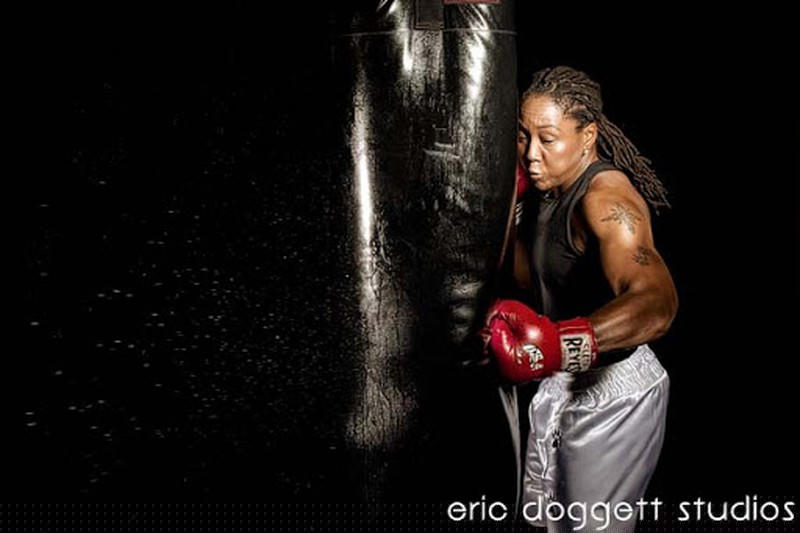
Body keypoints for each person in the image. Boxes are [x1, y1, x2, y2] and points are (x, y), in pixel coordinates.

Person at [481, 66, 678, 532]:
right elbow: (530, 277)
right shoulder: (550, 189)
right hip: (558, 383)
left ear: (587, 136)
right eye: (523, 136)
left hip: (614, 393)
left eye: (548, 139)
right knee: (544, 523)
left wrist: (554, 344)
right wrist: (508, 206)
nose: (531, 154)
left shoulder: (607, 200)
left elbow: (657, 302)